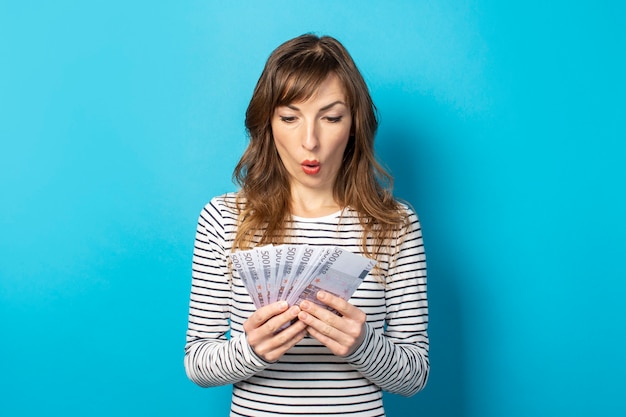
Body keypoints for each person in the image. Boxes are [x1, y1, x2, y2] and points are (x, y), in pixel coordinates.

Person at [184, 33, 429, 417]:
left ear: (354, 124)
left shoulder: (395, 225)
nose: (309, 141)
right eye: (289, 117)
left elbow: (415, 376)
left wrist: (362, 344)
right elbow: (198, 362)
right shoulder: (223, 219)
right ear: (268, 121)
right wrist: (252, 350)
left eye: (331, 117)